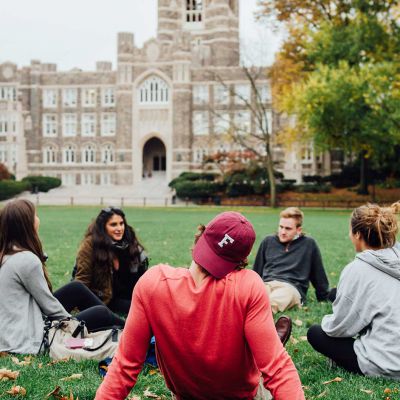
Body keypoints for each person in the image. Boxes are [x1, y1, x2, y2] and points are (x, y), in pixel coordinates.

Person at [95, 211, 305, 400]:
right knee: (266, 365)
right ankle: (268, 339)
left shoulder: (153, 283)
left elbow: (124, 366)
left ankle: (265, 340)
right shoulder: (248, 285)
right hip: (241, 393)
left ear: (201, 235)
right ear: (242, 260)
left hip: (188, 394)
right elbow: (277, 368)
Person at [0, 199, 124, 355]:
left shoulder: (8, 254)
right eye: (35, 215)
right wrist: (71, 325)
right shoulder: (26, 260)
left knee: (76, 289)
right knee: (100, 313)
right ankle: (133, 332)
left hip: (17, 328)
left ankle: (127, 328)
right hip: (29, 336)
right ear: (26, 224)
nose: (38, 219)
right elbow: (49, 306)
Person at [307, 202, 400, 378]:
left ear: (357, 234)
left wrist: (328, 319)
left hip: (387, 363)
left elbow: (339, 329)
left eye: (350, 230)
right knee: (335, 294)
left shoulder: (357, 269)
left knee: (316, 333)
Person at [253, 207, 329, 313]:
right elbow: (256, 271)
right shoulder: (268, 241)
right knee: (252, 298)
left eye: (288, 228)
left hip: (291, 288)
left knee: (277, 298)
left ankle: (258, 314)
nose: (283, 232)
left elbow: (318, 274)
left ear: (298, 230)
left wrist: (323, 297)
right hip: (267, 284)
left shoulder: (308, 244)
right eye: (281, 227)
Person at [74, 206, 148, 315]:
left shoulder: (130, 242)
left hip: (125, 295)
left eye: (121, 223)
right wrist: (78, 305)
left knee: (147, 306)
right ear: (103, 227)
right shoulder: (90, 245)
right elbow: (82, 280)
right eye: (113, 224)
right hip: (102, 298)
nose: (119, 228)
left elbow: (142, 278)